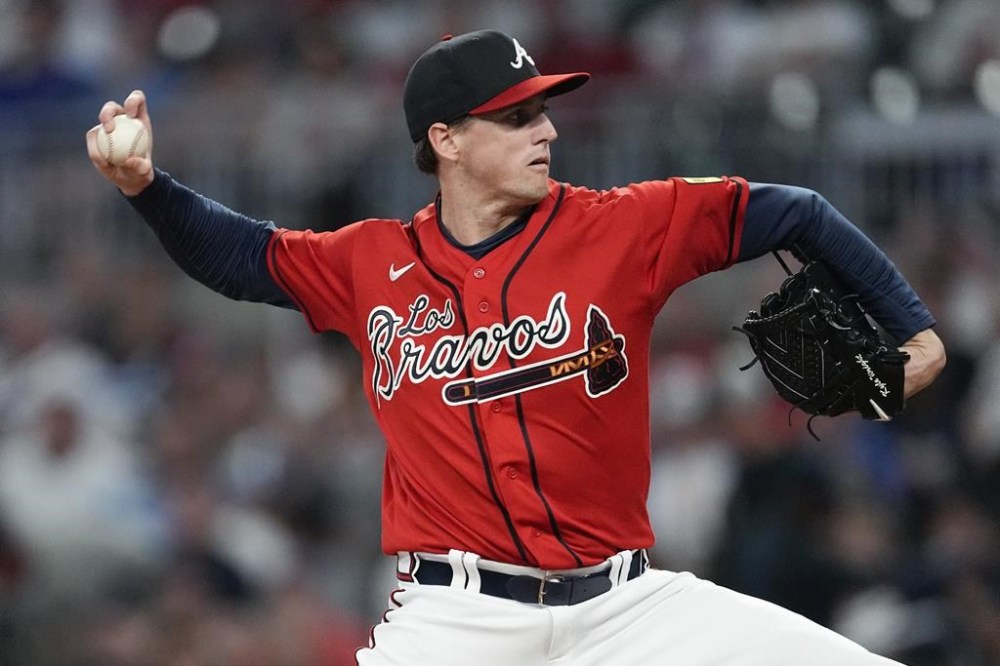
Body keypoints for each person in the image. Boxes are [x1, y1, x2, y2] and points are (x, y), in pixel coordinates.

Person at [88, 29, 945, 666]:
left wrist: (916, 333)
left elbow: (796, 210)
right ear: (446, 140)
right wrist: (146, 189)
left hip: (630, 609)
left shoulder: (623, 227)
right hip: (457, 622)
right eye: (516, 116)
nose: (548, 132)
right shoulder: (371, 262)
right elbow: (244, 258)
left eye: (543, 111)